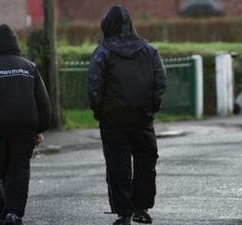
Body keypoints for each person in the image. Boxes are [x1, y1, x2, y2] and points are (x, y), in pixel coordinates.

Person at [87, 5, 167, 225]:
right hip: (142, 117)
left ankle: (124, 213)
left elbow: (94, 85)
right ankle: (141, 208)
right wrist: (152, 107)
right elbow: (160, 81)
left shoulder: (103, 51)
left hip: (113, 119)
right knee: (145, 161)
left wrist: (99, 111)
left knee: (118, 165)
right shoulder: (149, 50)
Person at [0, 24, 51, 225]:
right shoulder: (29, 66)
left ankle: (4, 212)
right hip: (26, 126)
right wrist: (40, 128)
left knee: (2, 168)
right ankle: (13, 213)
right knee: (20, 168)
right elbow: (42, 100)